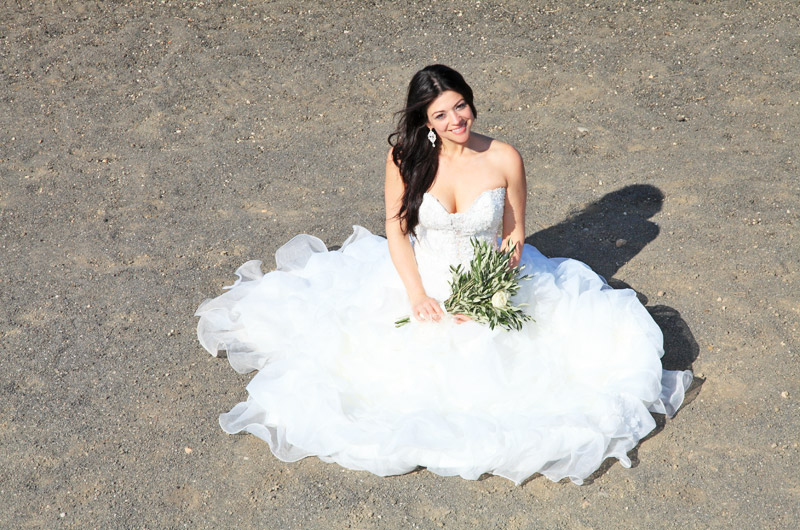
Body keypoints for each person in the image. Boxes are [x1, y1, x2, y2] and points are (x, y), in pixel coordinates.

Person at [196, 65, 692, 485]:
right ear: (425, 121)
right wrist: (418, 296)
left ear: (470, 103)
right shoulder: (404, 158)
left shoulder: (503, 157)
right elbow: (395, 233)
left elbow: (514, 232)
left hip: (491, 279)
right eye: (441, 114)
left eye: (460, 106)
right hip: (421, 279)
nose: (455, 120)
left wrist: (488, 292)